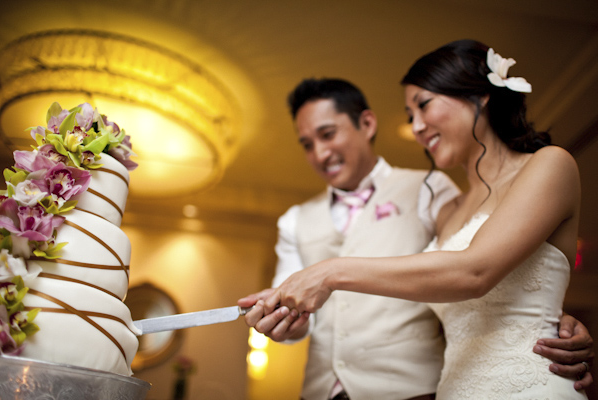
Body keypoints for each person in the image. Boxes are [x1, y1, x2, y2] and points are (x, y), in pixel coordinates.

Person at [254, 41, 594, 399]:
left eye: (424, 105)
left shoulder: (544, 165)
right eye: (409, 116)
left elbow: (475, 271)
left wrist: (553, 319)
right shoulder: (451, 210)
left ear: (481, 96)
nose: (416, 127)